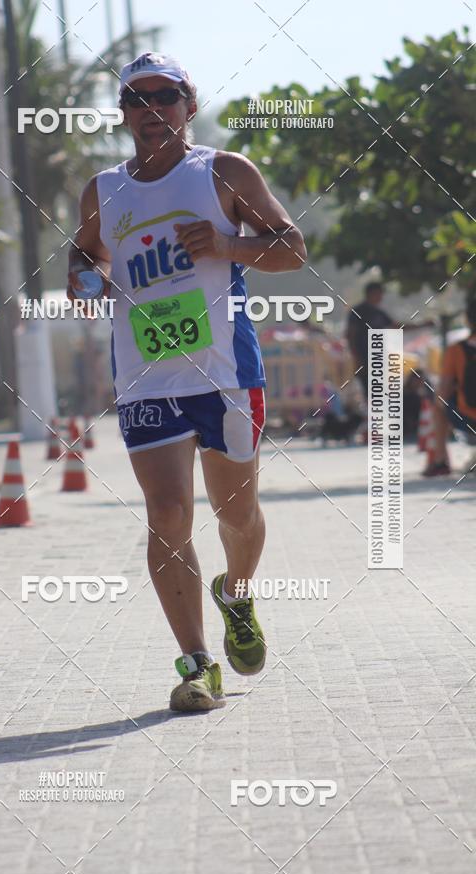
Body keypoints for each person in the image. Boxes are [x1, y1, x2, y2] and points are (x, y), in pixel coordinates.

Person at [66, 52, 307, 712]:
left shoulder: (223, 172)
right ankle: (199, 666)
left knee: (237, 515)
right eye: (136, 100)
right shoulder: (104, 189)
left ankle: (237, 592)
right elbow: (85, 257)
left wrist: (227, 246)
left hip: (227, 374)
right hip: (146, 379)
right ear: (123, 114)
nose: (150, 111)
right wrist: (82, 277)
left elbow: (292, 246)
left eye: (163, 97)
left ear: (188, 105)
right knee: (168, 513)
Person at [346, 282, 432, 398]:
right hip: (364, 359)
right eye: (380, 294)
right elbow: (350, 334)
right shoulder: (358, 311)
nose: (381, 297)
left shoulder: (379, 313)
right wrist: (356, 357)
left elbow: (397, 326)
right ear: (372, 293)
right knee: (369, 391)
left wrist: (422, 325)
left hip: (378, 358)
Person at [424, 299, 476, 476]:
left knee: (438, 406)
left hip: (469, 416)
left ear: (468, 321)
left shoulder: (456, 350)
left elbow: (443, 391)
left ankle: (440, 461)